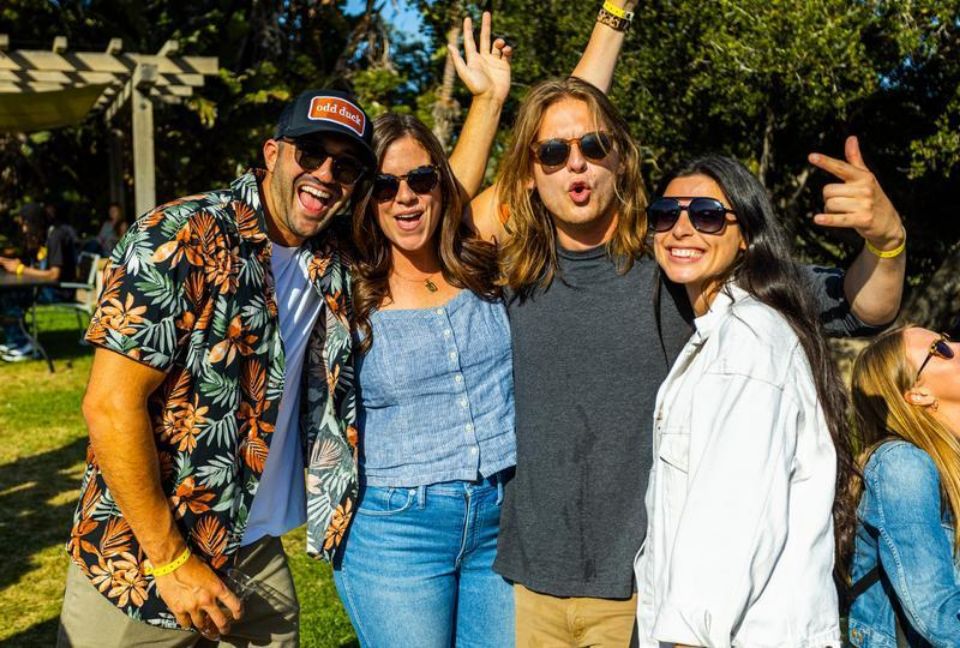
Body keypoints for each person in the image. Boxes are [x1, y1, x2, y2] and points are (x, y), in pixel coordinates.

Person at [464, 2, 907, 643]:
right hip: (530, 587)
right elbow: (428, 217)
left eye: (594, 147)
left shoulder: (678, 260)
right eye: (554, 154)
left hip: (647, 594)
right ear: (528, 178)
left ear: (621, 158)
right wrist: (490, 102)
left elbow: (864, 308)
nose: (576, 164)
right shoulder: (512, 272)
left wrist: (888, 243)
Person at [57, 88, 375, 646]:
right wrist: (170, 562)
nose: (327, 174)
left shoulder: (331, 256)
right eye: (310, 153)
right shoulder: (181, 235)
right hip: (143, 559)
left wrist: (491, 100)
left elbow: (446, 203)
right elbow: (110, 405)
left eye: (345, 166)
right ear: (272, 152)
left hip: (252, 552)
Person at [328, 14, 516, 647]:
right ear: (363, 199)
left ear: (441, 186)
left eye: (420, 180)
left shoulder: (477, 251)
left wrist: (614, 14)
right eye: (383, 186)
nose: (404, 197)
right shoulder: (345, 289)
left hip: (502, 515)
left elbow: (567, 138)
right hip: (395, 529)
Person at [633, 156, 854, 646]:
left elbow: (729, 516)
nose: (681, 229)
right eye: (666, 214)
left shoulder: (748, 338)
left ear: (747, 236)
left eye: (708, 215)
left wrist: (688, 636)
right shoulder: (727, 331)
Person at [846, 326, 960, 646]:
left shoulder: (950, 463)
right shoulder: (902, 465)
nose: (956, 347)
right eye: (941, 348)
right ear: (918, 394)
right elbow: (936, 613)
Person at [0, 202, 77, 361]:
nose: (24, 229)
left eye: (26, 224)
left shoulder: (56, 236)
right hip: (46, 287)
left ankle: (22, 345)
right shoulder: (46, 236)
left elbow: (53, 275)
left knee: (8, 298)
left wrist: (20, 270)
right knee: (6, 293)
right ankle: (17, 338)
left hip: (59, 291)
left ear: (34, 221)